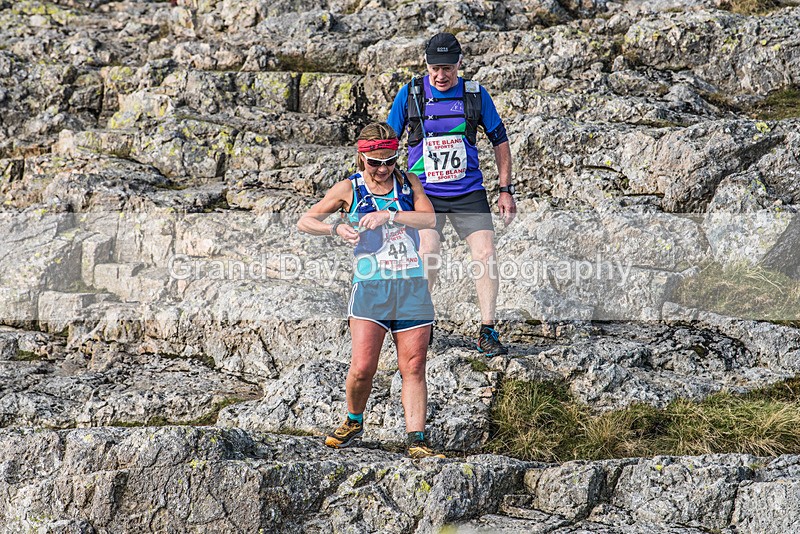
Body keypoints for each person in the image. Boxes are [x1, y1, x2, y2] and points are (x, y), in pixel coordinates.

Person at [297, 122, 444, 459]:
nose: (382, 169)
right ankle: (353, 420)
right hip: (370, 288)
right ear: (361, 157)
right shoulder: (350, 188)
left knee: (414, 365)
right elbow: (305, 220)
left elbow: (429, 220)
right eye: (375, 162)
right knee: (363, 368)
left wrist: (390, 215)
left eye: (389, 161)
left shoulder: (408, 183)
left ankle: (416, 439)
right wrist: (335, 228)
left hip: (410, 286)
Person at [387, 32, 517, 357]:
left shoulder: (475, 94)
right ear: (426, 65)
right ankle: (421, 321)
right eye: (435, 69)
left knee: (486, 253)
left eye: (447, 68)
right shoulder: (411, 94)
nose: (441, 76)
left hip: (468, 190)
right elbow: (388, 142)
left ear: (460, 63)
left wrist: (505, 189)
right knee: (428, 250)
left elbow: (500, 140)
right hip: (423, 193)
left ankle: (487, 330)